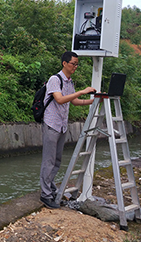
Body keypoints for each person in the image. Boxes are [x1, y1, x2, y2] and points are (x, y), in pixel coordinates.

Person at [40, 51, 95, 209]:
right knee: (48, 161)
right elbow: (59, 99)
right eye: (73, 64)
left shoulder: (69, 82)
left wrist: (91, 101)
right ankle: (45, 195)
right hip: (52, 124)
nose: (75, 67)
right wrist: (81, 92)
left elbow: (74, 101)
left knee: (57, 161)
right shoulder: (55, 80)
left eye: (77, 64)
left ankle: (51, 190)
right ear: (64, 63)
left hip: (62, 125)